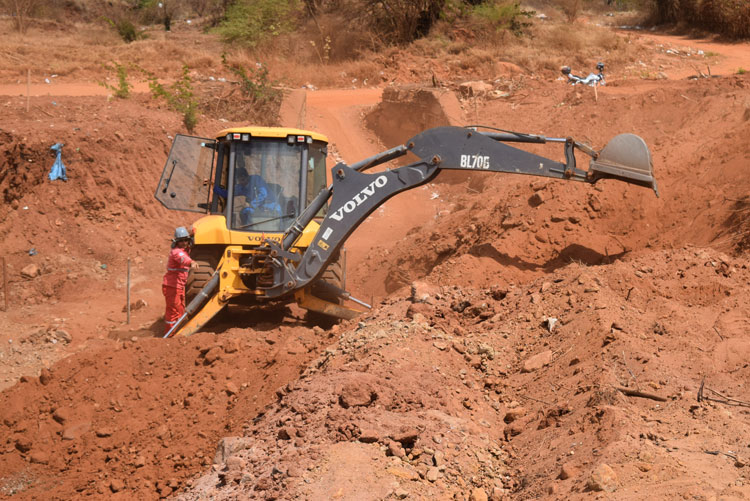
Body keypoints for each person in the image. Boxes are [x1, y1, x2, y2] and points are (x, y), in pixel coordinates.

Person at [162, 226, 198, 335]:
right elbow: (183, 258)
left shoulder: (184, 249)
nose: (184, 243)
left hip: (179, 286)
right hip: (172, 286)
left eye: (185, 240)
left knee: (181, 310)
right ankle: (169, 335)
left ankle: (178, 332)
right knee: (173, 311)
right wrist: (191, 262)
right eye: (181, 241)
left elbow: (188, 247)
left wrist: (193, 234)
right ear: (176, 242)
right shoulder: (176, 252)